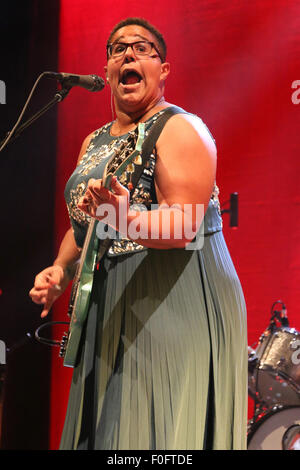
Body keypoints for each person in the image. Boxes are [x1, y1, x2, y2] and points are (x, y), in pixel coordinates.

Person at [29, 17, 248, 450]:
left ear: (163, 70)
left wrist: (125, 219)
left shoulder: (181, 129)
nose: (128, 53)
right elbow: (87, 222)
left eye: (143, 48)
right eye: (117, 48)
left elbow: (185, 223)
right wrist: (59, 269)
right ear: (108, 69)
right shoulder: (94, 142)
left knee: (157, 434)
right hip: (113, 304)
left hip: (173, 296)